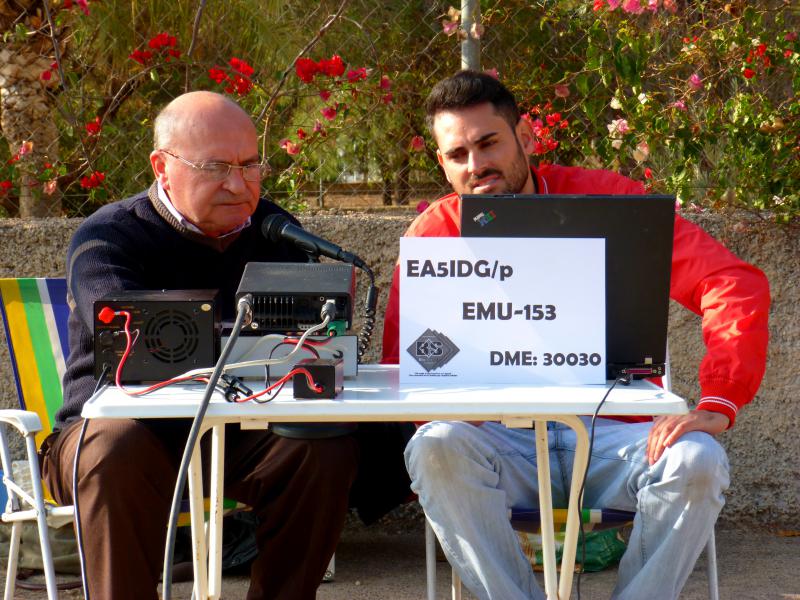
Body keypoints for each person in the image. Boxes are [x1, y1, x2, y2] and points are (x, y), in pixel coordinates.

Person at [381, 71, 770, 600]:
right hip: (502, 441)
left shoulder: (607, 201)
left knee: (698, 460)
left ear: (526, 137)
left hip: (616, 436)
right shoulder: (435, 233)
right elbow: (407, 369)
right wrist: (447, 412)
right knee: (434, 447)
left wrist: (719, 400)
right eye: (458, 154)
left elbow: (730, 282)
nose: (476, 165)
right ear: (443, 164)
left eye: (489, 143)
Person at [40, 91, 359, 600]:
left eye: (250, 165)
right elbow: (129, 328)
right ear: (162, 167)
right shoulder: (108, 237)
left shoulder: (278, 232)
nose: (239, 184)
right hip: (114, 436)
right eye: (216, 167)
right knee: (115, 448)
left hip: (237, 433)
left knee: (320, 447)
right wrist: (250, 336)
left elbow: (309, 342)